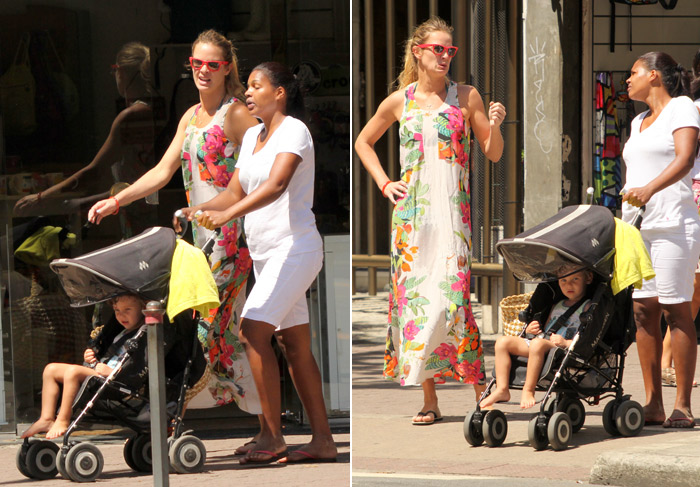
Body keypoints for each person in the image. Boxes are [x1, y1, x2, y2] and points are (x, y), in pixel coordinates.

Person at [87, 30, 264, 449]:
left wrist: (217, 210)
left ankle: (173, 421)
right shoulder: (190, 116)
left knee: (201, 328)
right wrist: (118, 201)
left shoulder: (236, 115)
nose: (203, 71)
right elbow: (164, 171)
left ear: (227, 69)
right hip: (198, 242)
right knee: (222, 333)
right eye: (196, 63)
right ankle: (263, 426)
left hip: (230, 238)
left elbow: (259, 173)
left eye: (213, 65)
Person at [181, 61, 337, 464]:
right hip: (268, 256)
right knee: (294, 345)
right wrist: (198, 209)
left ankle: (272, 435)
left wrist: (228, 216)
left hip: (295, 249)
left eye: (256, 86)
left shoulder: (294, 131)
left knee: (252, 330)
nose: (248, 93)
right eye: (248, 87)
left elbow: (277, 184)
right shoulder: (251, 137)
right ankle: (322, 440)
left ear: (280, 92)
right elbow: (233, 192)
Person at [354, 16, 506, 425]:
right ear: (417, 52)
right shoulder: (398, 100)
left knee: (454, 302)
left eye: (449, 50)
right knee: (415, 306)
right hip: (412, 220)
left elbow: (492, 153)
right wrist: (386, 183)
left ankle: (481, 391)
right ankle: (430, 399)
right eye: (437, 48)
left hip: (453, 215)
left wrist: (493, 125)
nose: (444, 56)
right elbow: (363, 142)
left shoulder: (466, 96)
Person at [621, 51, 700, 429]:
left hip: (673, 223)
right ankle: (653, 403)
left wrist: (649, 189)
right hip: (638, 228)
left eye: (632, 73)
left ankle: (682, 404)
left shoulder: (682, 107)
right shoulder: (637, 121)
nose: (627, 80)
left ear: (654, 75)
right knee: (642, 312)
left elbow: (685, 159)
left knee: (675, 309)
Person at [14, 42, 159, 238]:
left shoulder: (130, 117)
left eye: (114, 70)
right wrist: (81, 203)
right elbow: (129, 185)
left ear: (122, 72)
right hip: (140, 216)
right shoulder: (155, 109)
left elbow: (94, 171)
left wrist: (41, 198)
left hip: (144, 221)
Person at [20, 293, 147, 439]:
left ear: (143, 308)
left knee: (73, 372)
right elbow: (106, 354)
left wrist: (112, 372)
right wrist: (92, 357)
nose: (121, 315)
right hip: (100, 372)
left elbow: (137, 368)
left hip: (117, 381)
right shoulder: (122, 332)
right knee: (50, 370)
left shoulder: (145, 335)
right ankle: (46, 419)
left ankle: (63, 419)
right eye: (117, 310)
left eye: (127, 310)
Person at [480, 268, 594, 409]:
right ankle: (502, 389)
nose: (568, 285)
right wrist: (530, 330)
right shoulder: (557, 305)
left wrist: (565, 342)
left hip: (561, 348)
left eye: (575, 279)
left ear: (587, 279)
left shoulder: (587, 307)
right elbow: (546, 330)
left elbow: (587, 339)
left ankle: (528, 390)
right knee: (502, 342)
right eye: (563, 280)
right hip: (542, 341)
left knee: (537, 345)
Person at [661, 47, 700, 389]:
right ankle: (666, 361)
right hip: (693, 198)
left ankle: (668, 361)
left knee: (690, 292)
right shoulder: (689, 109)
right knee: (688, 293)